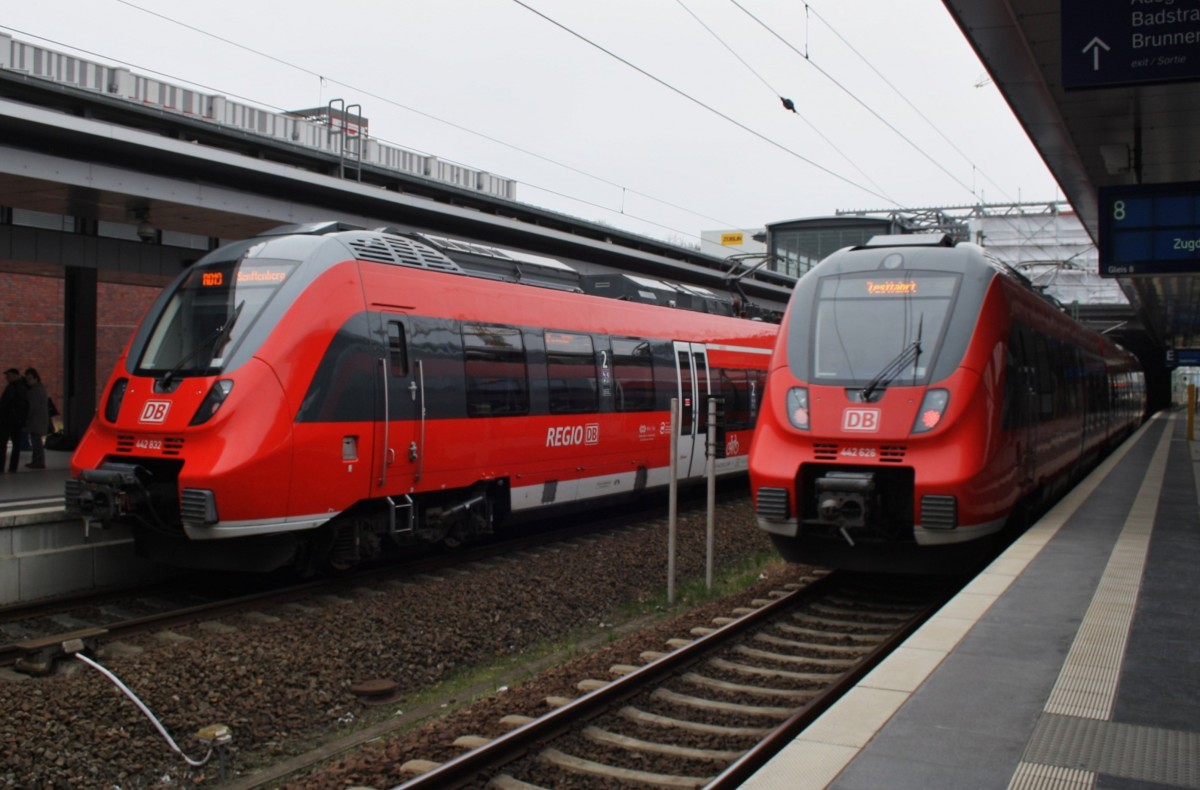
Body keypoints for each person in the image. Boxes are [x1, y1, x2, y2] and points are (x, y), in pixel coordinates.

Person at [0, 367, 28, 472]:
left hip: (10, 420)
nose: (6, 377)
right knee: (15, 444)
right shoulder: (17, 386)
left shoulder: (17, 387)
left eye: (9, 375)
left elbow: (19, 404)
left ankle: (3, 466)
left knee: (4, 443)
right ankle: (12, 467)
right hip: (14, 420)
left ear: (15, 375)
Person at [22, 368, 49, 470]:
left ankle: (38, 462)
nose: (28, 382)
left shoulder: (35, 390)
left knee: (36, 442)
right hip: (39, 419)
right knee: (36, 441)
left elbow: (33, 406)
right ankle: (36, 461)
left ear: (35, 378)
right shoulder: (40, 388)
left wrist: (27, 416)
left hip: (36, 420)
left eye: (29, 379)